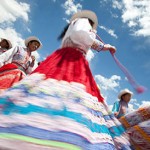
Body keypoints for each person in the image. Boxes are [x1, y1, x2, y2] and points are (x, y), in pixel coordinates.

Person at [0, 10, 131, 150]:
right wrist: (104, 46)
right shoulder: (82, 23)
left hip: (65, 60)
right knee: (70, 96)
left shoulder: (77, 26)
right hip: (72, 61)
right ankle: (60, 130)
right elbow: (81, 34)